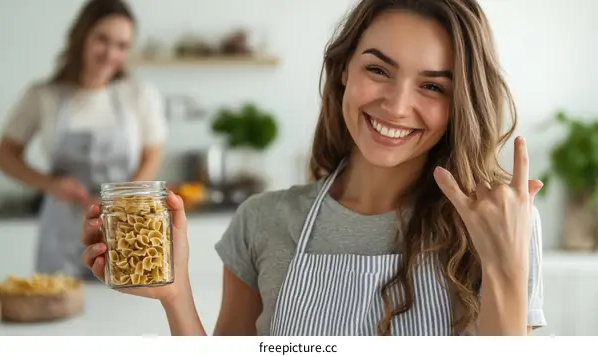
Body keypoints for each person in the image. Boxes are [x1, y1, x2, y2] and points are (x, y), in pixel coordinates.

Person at [81, 0, 546, 336]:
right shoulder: (262, 222)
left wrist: (505, 267)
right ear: (344, 69)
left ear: (461, 101)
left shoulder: (499, 223)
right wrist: (175, 295)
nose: (397, 105)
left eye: (432, 86)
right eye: (378, 70)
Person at [0, 0, 168, 281]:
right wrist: (50, 184)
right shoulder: (43, 95)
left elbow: (152, 156)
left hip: (124, 229)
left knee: (123, 307)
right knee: (59, 307)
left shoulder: (139, 95)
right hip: (62, 229)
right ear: (81, 37)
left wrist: (120, 202)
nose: (110, 53)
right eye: (102, 39)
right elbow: (5, 154)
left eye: (122, 45)